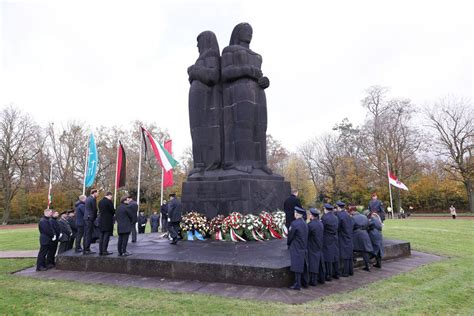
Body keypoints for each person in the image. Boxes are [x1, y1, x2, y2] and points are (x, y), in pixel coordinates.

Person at [287, 206, 309, 290]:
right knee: (303, 265)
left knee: (296, 266)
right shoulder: (304, 223)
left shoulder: (294, 224)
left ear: (296, 214)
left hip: (296, 247)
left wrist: (289, 243)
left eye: (295, 213)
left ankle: (297, 284)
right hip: (303, 246)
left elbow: (290, 236)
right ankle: (305, 283)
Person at [350, 207, 373, 271]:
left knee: (352, 247)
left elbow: (351, 227)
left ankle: (353, 260)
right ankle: (368, 266)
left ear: (353, 213)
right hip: (365, 233)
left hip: (356, 234)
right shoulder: (364, 217)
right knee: (364, 251)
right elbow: (368, 225)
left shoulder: (353, 218)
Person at [335, 201, 354, 277]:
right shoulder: (347, 214)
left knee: (344, 255)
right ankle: (350, 271)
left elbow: (338, 226)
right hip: (349, 235)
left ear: (338, 207)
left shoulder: (339, 215)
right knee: (348, 254)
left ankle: (344, 272)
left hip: (342, 236)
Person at [307, 208, 325, 286]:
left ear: (311, 215)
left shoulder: (310, 225)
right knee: (319, 262)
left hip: (312, 245)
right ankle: (321, 278)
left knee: (313, 263)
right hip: (319, 244)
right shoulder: (320, 223)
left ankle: (313, 280)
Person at [321, 203, 339, 281]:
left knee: (327, 257)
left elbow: (322, 227)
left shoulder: (324, 217)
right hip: (334, 237)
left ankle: (328, 275)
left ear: (325, 209)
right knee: (334, 255)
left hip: (327, 238)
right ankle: (336, 273)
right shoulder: (335, 217)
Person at [98, 191, 115, 256]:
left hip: (101, 220)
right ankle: (104, 250)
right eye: (111, 196)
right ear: (109, 195)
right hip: (107, 221)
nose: (111, 198)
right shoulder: (109, 201)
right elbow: (112, 211)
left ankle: (100, 251)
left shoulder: (100, 202)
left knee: (101, 236)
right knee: (106, 236)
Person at [83, 189, 99, 255]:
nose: (98, 194)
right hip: (90, 218)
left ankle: (85, 248)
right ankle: (87, 249)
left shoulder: (88, 198)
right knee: (88, 234)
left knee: (86, 234)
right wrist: (95, 217)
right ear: (94, 193)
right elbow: (94, 209)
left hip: (87, 217)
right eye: (97, 193)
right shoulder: (92, 199)